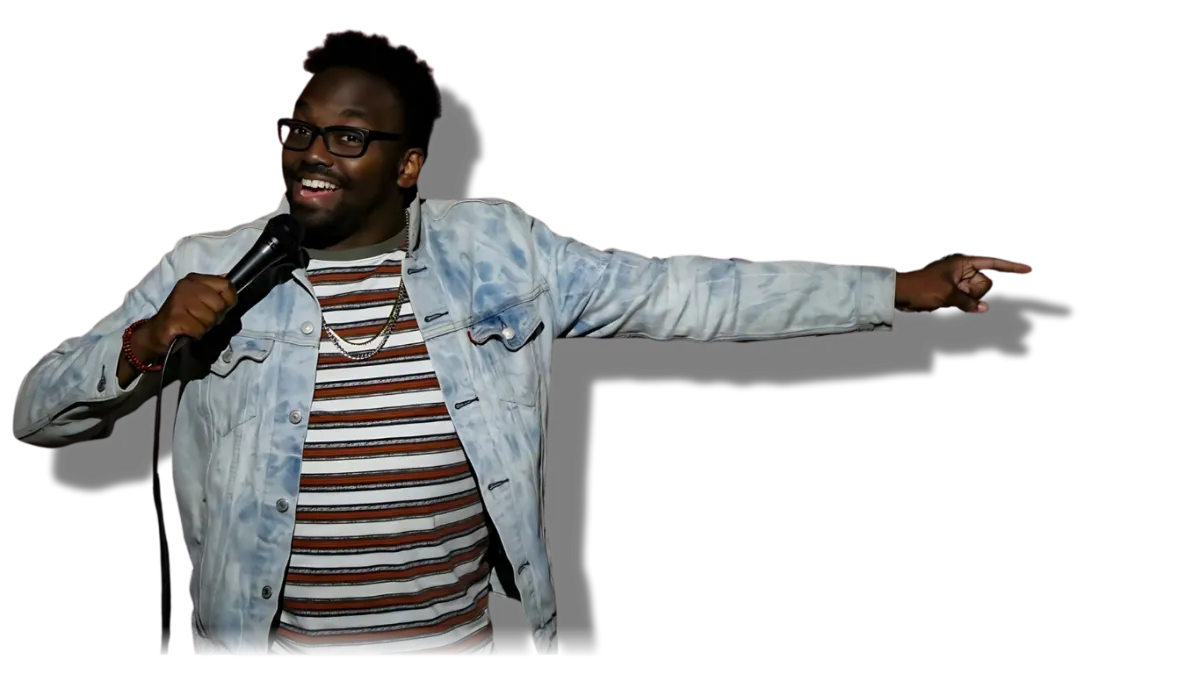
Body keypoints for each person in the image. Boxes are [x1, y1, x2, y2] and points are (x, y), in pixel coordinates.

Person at [10, 28, 1032, 656]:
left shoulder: (499, 249)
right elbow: (30, 416)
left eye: (348, 137)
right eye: (299, 129)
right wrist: (142, 341)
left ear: (408, 165)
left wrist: (899, 289)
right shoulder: (207, 263)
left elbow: (688, 293)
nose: (312, 155)